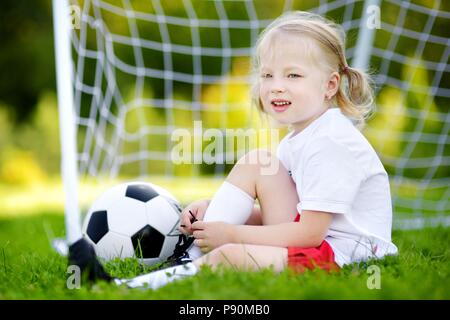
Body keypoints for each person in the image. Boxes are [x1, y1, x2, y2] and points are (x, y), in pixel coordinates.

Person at [68, 10, 398, 290]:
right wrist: (213, 214)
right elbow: (284, 215)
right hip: (317, 239)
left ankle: (125, 287)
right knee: (258, 163)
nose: (276, 85)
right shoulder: (297, 139)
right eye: (268, 74)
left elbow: (310, 233)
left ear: (329, 85)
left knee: (232, 255)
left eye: (293, 75)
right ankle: (193, 253)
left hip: (345, 254)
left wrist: (231, 234)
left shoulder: (332, 143)